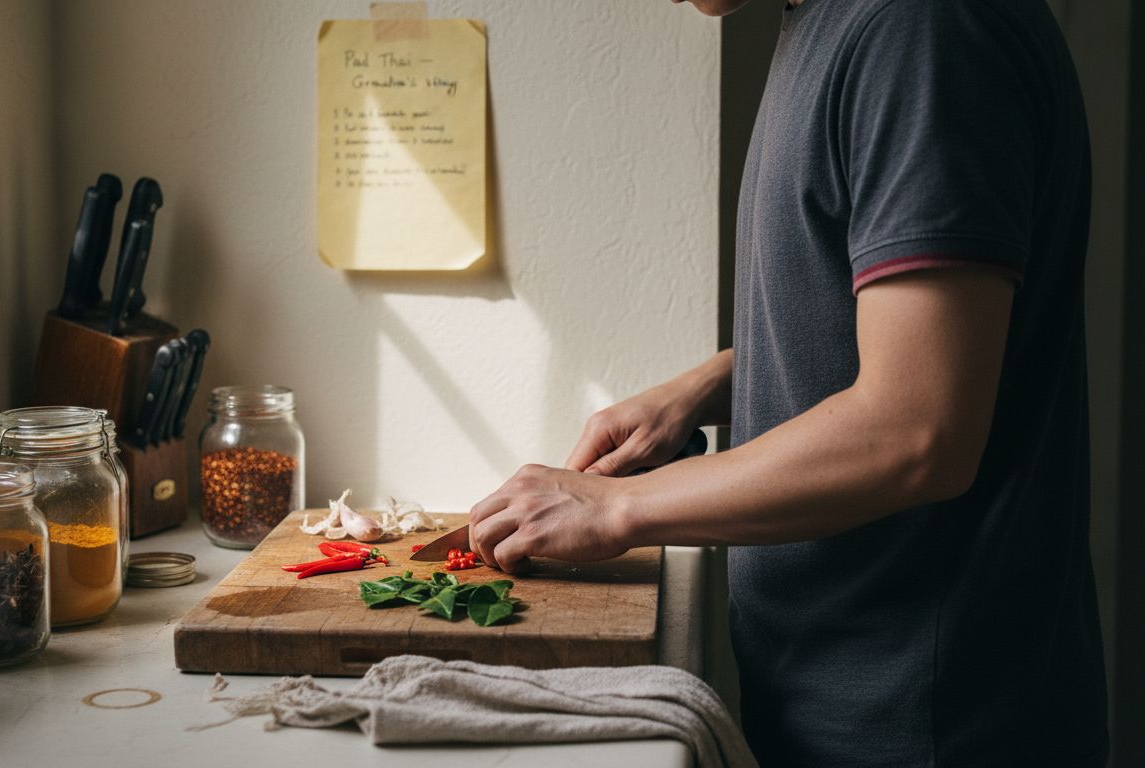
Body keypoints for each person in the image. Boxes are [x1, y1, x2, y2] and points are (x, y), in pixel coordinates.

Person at [468, 0, 1108, 765]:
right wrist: (708, 387)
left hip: (926, 725)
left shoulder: (922, 30)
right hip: (849, 704)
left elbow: (916, 430)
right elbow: (902, 334)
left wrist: (613, 507)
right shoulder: (833, 20)